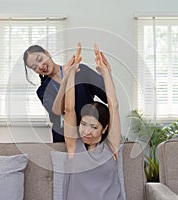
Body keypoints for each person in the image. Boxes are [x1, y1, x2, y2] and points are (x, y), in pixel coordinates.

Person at [62, 43, 124, 200]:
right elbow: (69, 109)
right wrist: (71, 75)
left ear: (104, 129)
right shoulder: (73, 147)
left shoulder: (111, 148)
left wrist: (106, 73)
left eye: (94, 127)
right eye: (83, 124)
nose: (86, 131)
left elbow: (114, 107)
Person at [23, 43, 107, 142]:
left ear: (47, 53)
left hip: (88, 133)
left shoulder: (80, 71)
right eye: (34, 67)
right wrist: (65, 81)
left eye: (40, 59)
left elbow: (107, 97)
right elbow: (57, 112)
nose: (40, 66)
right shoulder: (42, 91)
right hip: (63, 138)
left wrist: (106, 74)